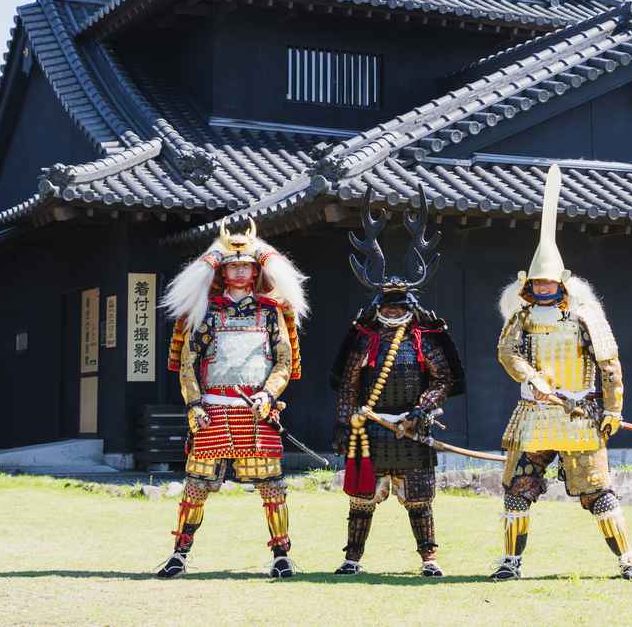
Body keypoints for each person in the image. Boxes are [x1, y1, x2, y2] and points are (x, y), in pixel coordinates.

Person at [489, 165, 632, 582]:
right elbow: (506, 351)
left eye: (547, 283)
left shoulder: (585, 316)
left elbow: (610, 366)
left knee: (599, 494)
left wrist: (612, 410)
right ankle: (510, 561)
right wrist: (529, 376)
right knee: (517, 493)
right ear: (528, 286)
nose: (542, 289)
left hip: (579, 414)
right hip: (534, 414)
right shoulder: (520, 318)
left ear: (561, 282)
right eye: (536, 284)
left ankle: (627, 558)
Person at [155, 218, 308, 579]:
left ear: (256, 271)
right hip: (212, 408)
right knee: (196, 485)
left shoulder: (271, 313)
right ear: (222, 272)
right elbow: (189, 363)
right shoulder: (206, 312)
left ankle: (282, 555)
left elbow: (283, 361)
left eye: (246, 266)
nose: (240, 271)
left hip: (257, 412)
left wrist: (269, 395)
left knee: (272, 487)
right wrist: (193, 404)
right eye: (233, 265)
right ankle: (179, 553)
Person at [328, 188, 465, 577]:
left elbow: (442, 378)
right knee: (360, 501)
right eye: (387, 304)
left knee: (420, 501)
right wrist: (343, 424)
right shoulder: (366, 339)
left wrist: (420, 410)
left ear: (410, 306)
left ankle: (429, 559)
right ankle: (352, 558)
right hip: (369, 429)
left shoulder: (424, 338)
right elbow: (349, 385)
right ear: (377, 305)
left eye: (400, 305)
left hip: (411, 429)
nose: (393, 310)